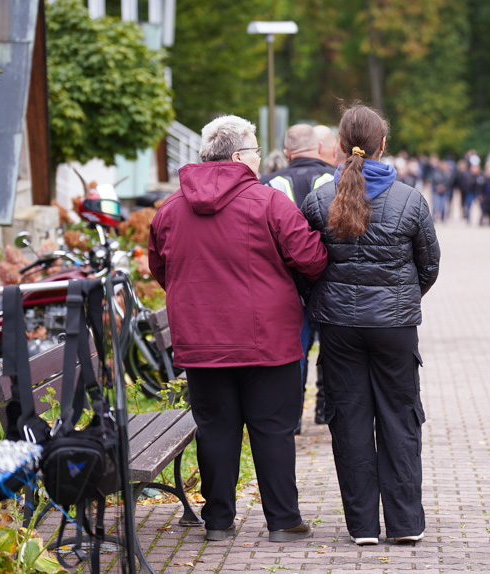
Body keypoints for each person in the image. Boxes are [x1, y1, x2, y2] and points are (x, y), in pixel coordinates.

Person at [148, 115, 327, 543]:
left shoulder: (171, 210)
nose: (261, 160)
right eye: (256, 153)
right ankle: (283, 521)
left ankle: (218, 520)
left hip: (202, 340)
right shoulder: (268, 202)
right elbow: (311, 258)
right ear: (238, 157)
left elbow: (160, 268)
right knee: (273, 429)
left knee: (216, 428)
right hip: (268, 339)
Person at [301, 104, 440, 546]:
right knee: (401, 419)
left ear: (340, 146)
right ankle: (405, 524)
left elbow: (304, 263)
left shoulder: (319, 200)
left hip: (339, 327)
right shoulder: (410, 199)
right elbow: (429, 265)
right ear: (383, 144)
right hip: (394, 329)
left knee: (351, 420)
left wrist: (323, 299)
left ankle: (362, 527)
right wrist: (402, 299)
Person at [260, 124, 338, 431]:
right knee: (332, 349)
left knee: (296, 351)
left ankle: (292, 419)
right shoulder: (337, 181)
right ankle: (325, 409)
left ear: (287, 153)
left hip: (287, 286)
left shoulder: (266, 184)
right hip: (332, 283)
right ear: (319, 149)